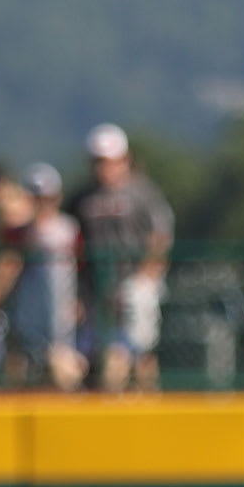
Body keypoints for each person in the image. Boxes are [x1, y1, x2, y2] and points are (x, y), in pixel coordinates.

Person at [68, 123, 173, 392]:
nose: (105, 168)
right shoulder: (82, 197)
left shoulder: (142, 192)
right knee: (97, 356)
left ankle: (148, 404)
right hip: (96, 289)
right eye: (99, 161)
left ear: (124, 160)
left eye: (110, 161)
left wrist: (148, 276)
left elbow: (160, 234)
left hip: (134, 282)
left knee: (138, 351)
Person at [0, 164, 86, 391]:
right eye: (36, 198)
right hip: (27, 313)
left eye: (46, 198)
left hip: (60, 315)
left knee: (60, 363)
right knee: (24, 365)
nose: (42, 204)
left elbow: (85, 268)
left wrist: (81, 300)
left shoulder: (69, 228)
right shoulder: (19, 231)